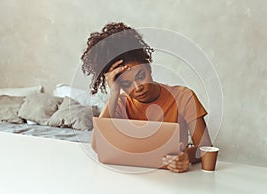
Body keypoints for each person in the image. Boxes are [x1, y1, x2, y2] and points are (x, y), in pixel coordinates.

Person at [81, 22, 212, 173]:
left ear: (148, 66)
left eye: (141, 76)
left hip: (171, 178)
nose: (138, 88)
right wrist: (114, 93)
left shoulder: (184, 96)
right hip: (132, 177)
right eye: (126, 83)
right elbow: (98, 147)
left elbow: (206, 147)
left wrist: (186, 157)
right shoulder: (120, 103)